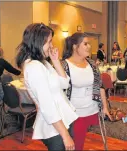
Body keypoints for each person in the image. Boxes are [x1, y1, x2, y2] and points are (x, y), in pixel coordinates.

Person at [15, 23, 78, 151]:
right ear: (37, 42)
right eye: (49, 42)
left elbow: (65, 84)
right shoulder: (34, 67)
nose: (52, 46)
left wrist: (55, 60)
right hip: (55, 128)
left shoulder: (42, 63)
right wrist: (65, 135)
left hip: (62, 119)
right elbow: (47, 106)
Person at [61, 32, 112, 150]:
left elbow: (100, 86)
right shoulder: (64, 65)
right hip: (74, 113)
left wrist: (105, 107)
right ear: (75, 46)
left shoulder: (92, 63)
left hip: (92, 108)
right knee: (75, 145)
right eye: (85, 44)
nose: (89, 46)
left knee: (82, 141)